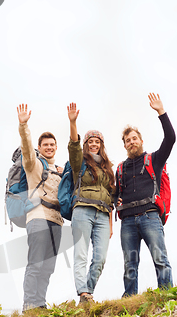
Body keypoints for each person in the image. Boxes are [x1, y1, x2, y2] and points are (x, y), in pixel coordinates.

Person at [115, 93, 176, 296]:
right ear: (124, 145)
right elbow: (116, 194)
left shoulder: (154, 160)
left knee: (160, 259)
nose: (131, 142)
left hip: (150, 216)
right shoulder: (121, 168)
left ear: (141, 140)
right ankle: (130, 300)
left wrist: (161, 112)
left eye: (134, 138)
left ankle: (166, 295)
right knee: (129, 265)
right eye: (127, 140)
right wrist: (116, 200)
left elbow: (170, 138)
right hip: (128, 221)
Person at [17, 104, 63, 311]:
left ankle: (40, 304)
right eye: (45, 145)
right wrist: (23, 125)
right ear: (40, 147)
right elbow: (27, 148)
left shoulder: (61, 170)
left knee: (48, 267)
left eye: (52, 144)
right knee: (35, 263)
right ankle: (29, 303)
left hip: (56, 220)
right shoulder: (33, 164)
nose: (49, 147)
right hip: (37, 217)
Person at [67, 102, 115, 304]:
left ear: (101, 145)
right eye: (90, 141)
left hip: (103, 214)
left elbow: (111, 197)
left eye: (97, 141)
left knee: (100, 258)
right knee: (81, 254)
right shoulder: (80, 163)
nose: (94, 144)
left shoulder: (108, 168)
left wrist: (111, 224)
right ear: (86, 144)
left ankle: (88, 291)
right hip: (83, 211)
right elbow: (74, 146)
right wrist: (73, 122)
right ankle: (84, 293)